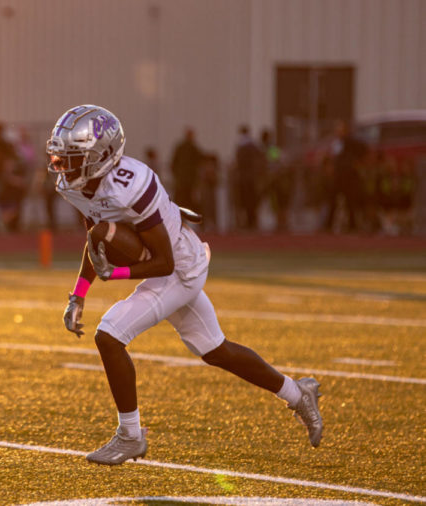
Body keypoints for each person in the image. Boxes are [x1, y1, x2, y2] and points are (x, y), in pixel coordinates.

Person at [46, 104, 323, 466]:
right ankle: (297, 392)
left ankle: (130, 435)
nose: (63, 166)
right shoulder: (76, 186)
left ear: (102, 155)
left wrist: (115, 275)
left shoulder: (131, 185)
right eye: (62, 157)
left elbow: (164, 263)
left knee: (109, 335)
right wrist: (78, 295)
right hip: (165, 263)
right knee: (215, 350)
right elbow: (96, 237)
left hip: (179, 267)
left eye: (73, 157)